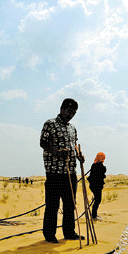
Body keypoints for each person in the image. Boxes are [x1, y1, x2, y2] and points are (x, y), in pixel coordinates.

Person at [40, 98, 85, 243]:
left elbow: (75, 144)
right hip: (54, 173)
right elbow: (43, 143)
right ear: (62, 109)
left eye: (74, 113)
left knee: (70, 204)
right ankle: (49, 235)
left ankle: (69, 232)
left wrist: (79, 155)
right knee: (53, 206)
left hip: (70, 173)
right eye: (69, 111)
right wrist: (58, 152)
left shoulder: (72, 128)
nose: (71, 115)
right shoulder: (50, 124)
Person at [87, 152, 106, 221]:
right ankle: (94, 216)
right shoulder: (99, 166)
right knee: (98, 200)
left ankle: (94, 214)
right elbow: (101, 174)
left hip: (94, 185)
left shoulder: (94, 165)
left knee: (97, 200)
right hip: (96, 186)